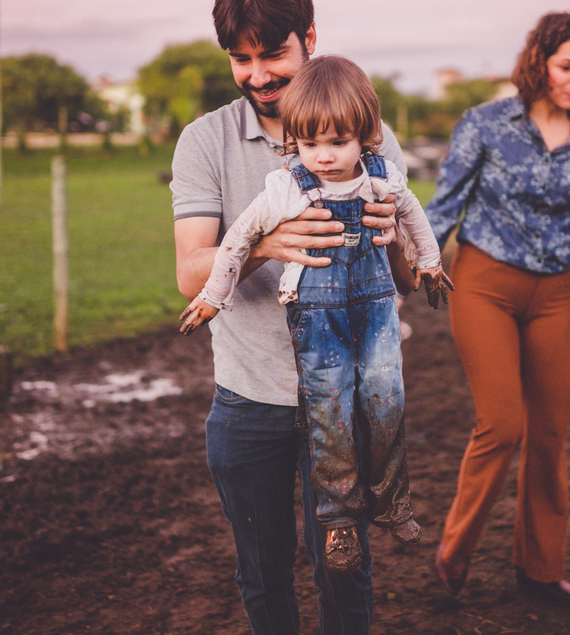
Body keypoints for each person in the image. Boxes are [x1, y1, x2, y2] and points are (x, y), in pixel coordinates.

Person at [171, 0, 415, 635]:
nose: (257, 75)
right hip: (250, 400)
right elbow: (191, 272)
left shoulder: (368, 134)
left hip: (344, 403)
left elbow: (407, 271)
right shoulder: (205, 141)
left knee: (345, 569)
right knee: (263, 574)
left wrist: (394, 237)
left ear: (309, 36)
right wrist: (265, 242)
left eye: (272, 53)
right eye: (240, 59)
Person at [178, 55, 452, 574]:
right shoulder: (285, 186)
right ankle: (340, 519)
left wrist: (430, 263)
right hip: (318, 319)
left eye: (337, 143)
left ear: (364, 137)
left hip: (373, 314)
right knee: (331, 418)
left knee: (386, 401)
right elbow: (236, 238)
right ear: (294, 144)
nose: (323, 158)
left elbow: (412, 211)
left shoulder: (381, 175)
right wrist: (215, 296)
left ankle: (393, 499)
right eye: (309, 145)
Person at [423, 12, 570, 607]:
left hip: (554, 296)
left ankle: (541, 570)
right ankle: (455, 548)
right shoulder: (485, 125)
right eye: (567, 66)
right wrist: (399, 274)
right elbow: (441, 210)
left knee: (550, 435)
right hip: (483, 285)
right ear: (538, 64)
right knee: (503, 425)